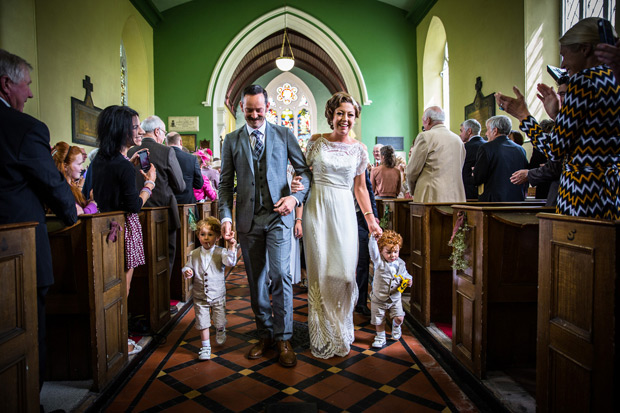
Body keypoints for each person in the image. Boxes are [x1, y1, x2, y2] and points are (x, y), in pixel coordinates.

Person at [0, 49, 78, 390]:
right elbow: (50, 182)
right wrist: (71, 215)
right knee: (27, 327)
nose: (30, 93)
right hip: (18, 252)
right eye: (26, 85)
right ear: (6, 84)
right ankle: (31, 401)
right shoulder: (22, 128)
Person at [219, 84, 311, 367]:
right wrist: (226, 217)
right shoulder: (232, 140)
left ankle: (284, 338)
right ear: (242, 109)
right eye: (249, 111)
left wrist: (294, 198)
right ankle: (265, 334)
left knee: (281, 274)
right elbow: (224, 185)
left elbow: (304, 172)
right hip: (248, 220)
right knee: (256, 279)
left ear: (268, 108)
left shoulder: (284, 134)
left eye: (259, 110)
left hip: (278, 218)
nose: (255, 115)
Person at [496, 17, 620, 218]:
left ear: (585, 49)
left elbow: (555, 150)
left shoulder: (582, 82)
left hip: (583, 193)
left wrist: (524, 117)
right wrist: (557, 115)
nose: (563, 63)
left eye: (565, 54)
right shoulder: (613, 78)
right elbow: (590, 136)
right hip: (611, 192)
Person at [302, 91, 383, 359]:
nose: (344, 119)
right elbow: (303, 178)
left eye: (350, 114)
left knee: (347, 275)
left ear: (355, 118)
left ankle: (341, 326)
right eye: (340, 114)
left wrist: (371, 220)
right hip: (318, 209)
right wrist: (297, 212)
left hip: (345, 211)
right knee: (322, 271)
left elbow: (360, 188)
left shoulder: (359, 149)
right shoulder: (315, 142)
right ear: (331, 116)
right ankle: (323, 332)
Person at [128, 115, 185, 296]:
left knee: (137, 262)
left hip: (135, 213)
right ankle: (161, 303)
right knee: (164, 257)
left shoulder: (130, 153)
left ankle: (139, 305)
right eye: (164, 132)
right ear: (158, 131)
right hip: (164, 214)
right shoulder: (166, 151)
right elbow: (180, 185)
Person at [182, 217, 238, 360]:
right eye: (202, 234)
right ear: (198, 236)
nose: (206, 238)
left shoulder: (221, 252)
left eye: (210, 235)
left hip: (217, 294)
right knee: (202, 321)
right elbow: (188, 266)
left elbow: (230, 262)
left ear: (218, 237)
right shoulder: (194, 254)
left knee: (218, 319)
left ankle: (220, 329)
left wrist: (232, 246)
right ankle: (205, 347)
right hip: (200, 295)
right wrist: (187, 271)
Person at [406, 106, 466, 202]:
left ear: (428, 120)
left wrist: (412, 190)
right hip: (456, 196)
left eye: (423, 121)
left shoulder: (425, 136)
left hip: (431, 195)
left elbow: (412, 170)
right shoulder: (457, 139)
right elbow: (460, 165)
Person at [368, 230, 412, 348]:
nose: (393, 255)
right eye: (388, 252)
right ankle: (380, 337)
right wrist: (373, 239)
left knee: (399, 317)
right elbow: (373, 252)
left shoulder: (401, 263)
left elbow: (406, 274)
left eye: (396, 252)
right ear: (381, 251)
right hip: (379, 298)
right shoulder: (379, 262)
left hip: (395, 298)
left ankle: (396, 326)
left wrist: (409, 280)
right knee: (379, 319)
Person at [473, 115, 528, 202]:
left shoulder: (487, 148)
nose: (486, 134)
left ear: (495, 130)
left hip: (494, 201)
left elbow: (478, 177)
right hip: (517, 200)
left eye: (487, 130)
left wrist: (475, 171)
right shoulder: (520, 149)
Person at [354, 169, 379, 316]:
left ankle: (362, 302)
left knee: (363, 260)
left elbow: (368, 190)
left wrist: (373, 216)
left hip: (359, 218)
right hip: (338, 215)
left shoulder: (359, 160)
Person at [51, 142, 98, 215]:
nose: (82, 168)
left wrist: (88, 202)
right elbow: (78, 216)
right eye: (79, 164)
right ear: (65, 166)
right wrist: (92, 204)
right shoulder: (63, 190)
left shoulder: (72, 186)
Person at [166, 131, 204, 205]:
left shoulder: (162, 157)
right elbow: (199, 184)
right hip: (187, 202)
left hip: (168, 203)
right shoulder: (192, 159)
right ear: (181, 142)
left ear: (166, 143)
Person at [459, 119, 486, 199]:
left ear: (469, 131)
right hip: (484, 191)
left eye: (461, 131)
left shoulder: (465, 147)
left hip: (467, 191)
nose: (460, 134)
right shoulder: (487, 145)